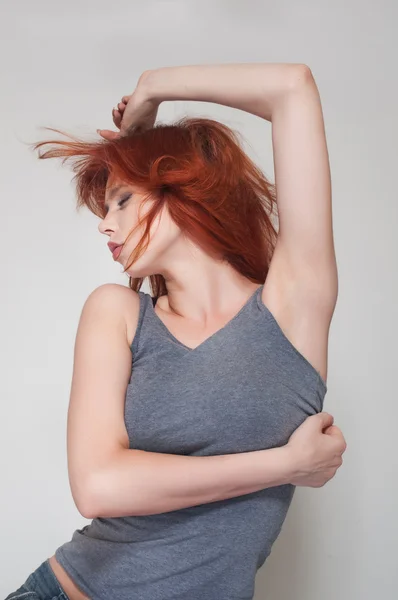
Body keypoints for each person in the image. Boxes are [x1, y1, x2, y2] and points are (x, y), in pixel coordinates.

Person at [7, 63, 346, 600]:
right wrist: (286, 465)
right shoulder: (117, 313)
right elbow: (97, 486)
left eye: (123, 199)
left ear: (182, 188)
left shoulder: (292, 305)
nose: (104, 222)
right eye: (103, 206)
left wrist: (152, 89)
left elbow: (294, 89)